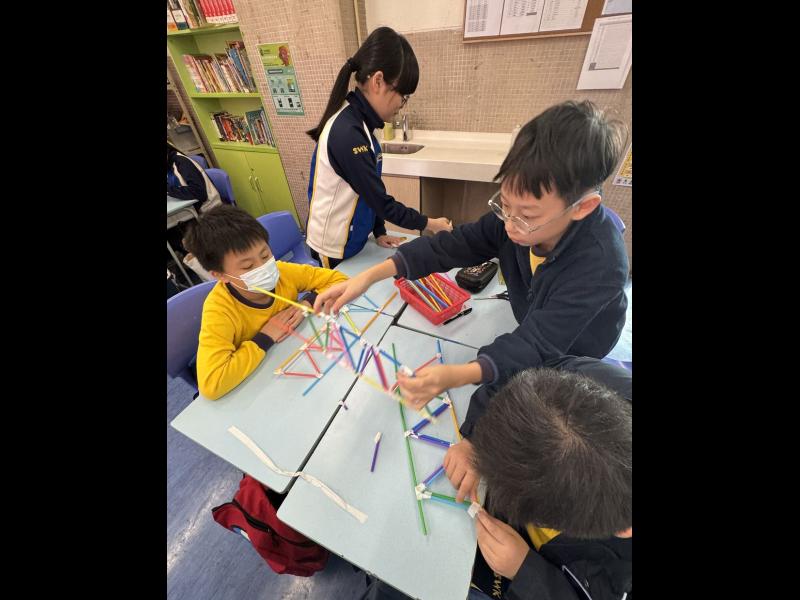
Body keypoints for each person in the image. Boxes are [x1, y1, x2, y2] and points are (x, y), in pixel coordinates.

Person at [315, 100, 629, 500]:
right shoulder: (515, 221)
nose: (510, 222)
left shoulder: (600, 264)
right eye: (505, 205)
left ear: (582, 207)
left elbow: (533, 349)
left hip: (577, 344)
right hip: (534, 322)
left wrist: (470, 423)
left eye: (527, 215)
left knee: (551, 404)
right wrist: (369, 276)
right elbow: (452, 246)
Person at [361, 357, 632, 600]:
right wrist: (474, 438)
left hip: (534, 576)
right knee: (398, 574)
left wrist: (526, 572)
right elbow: (521, 372)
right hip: (514, 534)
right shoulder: (586, 384)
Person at [304, 26, 453, 268]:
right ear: (378, 81)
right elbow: (380, 201)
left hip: (354, 238)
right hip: (333, 246)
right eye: (403, 96)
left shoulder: (363, 125)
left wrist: (379, 231)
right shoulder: (348, 133)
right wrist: (431, 224)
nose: (402, 105)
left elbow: (367, 191)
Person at [182, 205, 348, 400]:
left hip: (294, 360)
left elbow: (340, 280)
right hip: (256, 387)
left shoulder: (282, 272)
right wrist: (265, 336)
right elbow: (211, 384)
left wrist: (307, 303)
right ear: (220, 275)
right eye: (248, 266)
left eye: (265, 255)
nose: (264, 267)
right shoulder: (219, 310)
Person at [167, 141, 222, 213]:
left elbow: (199, 192)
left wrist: (169, 190)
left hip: (209, 209)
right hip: (191, 206)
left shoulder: (182, 163)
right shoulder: (169, 163)